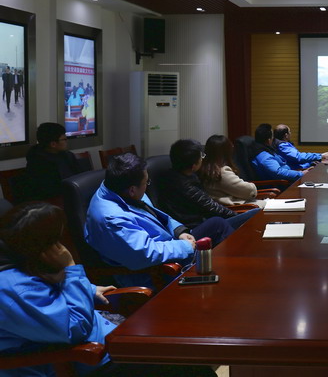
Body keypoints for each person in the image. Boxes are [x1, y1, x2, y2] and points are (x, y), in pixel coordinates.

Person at [0, 202, 116, 376]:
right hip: (86, 360)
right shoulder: (13, 290)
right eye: (54, 240)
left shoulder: (16, 256)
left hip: (104, 340)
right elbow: (75, 329)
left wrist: (88, 289)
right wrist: (71, 269)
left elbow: (46, 288)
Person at [84, 153, 234, 288]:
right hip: (156, 271)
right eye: (146, 182)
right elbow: (144, 254)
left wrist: (179, 231)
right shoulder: (111, 219)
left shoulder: (118, 188)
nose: (147, 185)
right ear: (132, 190)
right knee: (221, 266)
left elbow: (156, 216)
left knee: (217, 224)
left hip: (168, 246)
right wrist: (184, 246)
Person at [157, 139, 259, 230]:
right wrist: (238, 217)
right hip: (196, 227)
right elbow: (213, 208)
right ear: (193, 166)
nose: (203, 159)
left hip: (199, 222)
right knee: (255, 214)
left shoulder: (171, 176)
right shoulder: (186, 187)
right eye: (201, 156)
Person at [21, 122, 86, 202]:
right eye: (64, 139)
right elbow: (47, 191)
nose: (66, 141)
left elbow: (81, 175)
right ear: (53, 144)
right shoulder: (38, 163)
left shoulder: (68, 155)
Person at [198, 134, 266, 206]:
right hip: (239, 208)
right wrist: (252, 186)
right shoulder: (222, 173)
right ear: (227, 151)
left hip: (224, 207)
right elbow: (249, 191)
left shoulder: (204, 169)